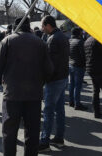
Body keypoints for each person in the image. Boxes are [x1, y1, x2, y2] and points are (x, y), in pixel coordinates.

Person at [0, 17, 53, 156]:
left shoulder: (7, 40)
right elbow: (49, 69)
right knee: (32, 132)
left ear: (16, 27)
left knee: (9, 132)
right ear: (29, 26)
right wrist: (40, 82)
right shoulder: (40, 42)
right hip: (34, 94)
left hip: (12, 93)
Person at [39, 15, 70, 152]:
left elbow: (50, 64)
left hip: (54, 80)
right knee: (59, 110)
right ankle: (59, 138)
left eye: (42, 26)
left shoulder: (53, 39)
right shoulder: (62, 37)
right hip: (62, 77)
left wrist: (44, 79)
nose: (41, 28)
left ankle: (45, 142)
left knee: (48, 111)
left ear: (47, 25)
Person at [68, 27, 87, 110]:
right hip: (79, 66)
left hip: (71, 64)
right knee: (78, 86)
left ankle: (71, 101)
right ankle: (77, 103)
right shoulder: (80, 42)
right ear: (78, 33)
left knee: (72, 84)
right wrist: (85, 64)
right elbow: (83, 55)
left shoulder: (69, 41)